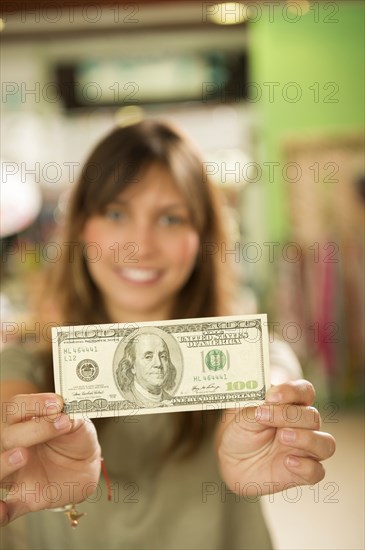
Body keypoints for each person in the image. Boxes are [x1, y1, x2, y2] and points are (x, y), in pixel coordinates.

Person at [0, 119, 335, 550]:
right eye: (117, 213)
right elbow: (9, 402)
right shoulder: (22, 365)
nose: (141, 244)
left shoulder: (256, 353)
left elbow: (270, 375)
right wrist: (14, 452)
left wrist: (267, 421)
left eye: (171, 218)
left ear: (202, 238)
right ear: (82, 228)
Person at [115, 331, 177, 407]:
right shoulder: (127, 399)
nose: (159, 364)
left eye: (163, 356)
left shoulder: (173, 401)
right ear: (132, 366)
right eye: (148, 357)